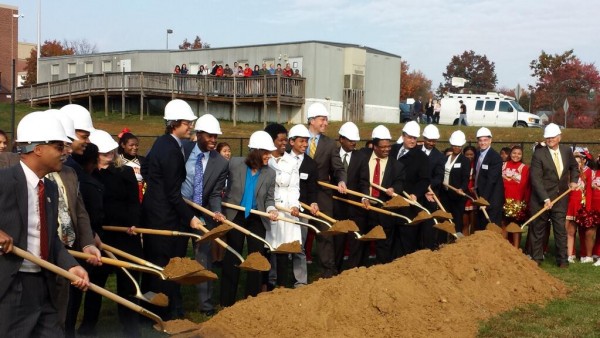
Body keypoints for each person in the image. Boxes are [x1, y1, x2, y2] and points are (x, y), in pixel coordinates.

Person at [0, 111, 89, 337]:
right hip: (10, 286)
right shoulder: (4, 180)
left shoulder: (48, 188)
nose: (66, 152)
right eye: (59, 147)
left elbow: (51, 240)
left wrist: (71, 265)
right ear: (37, 149)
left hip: (43, 283)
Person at [141, 99, 204, 319]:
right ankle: (161, 313)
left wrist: (154, 186)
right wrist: (191, 219)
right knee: (162, 266)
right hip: (162, 216)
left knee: (156, 264)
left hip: (158, 209)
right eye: (187, 122)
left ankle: (154, 311)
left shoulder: (164, 143)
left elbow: (147, 167)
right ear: (175, 123)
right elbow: (173, 193)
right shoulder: (170, 149)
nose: (191, 126)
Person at [77, 130, 142, 337]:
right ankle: (88, 327)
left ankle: (130, 327)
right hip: (99, 237)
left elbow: (134, 201)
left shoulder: (124, 172)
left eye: (111, 152)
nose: (109, 156)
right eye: (104, 153)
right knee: (96, 284)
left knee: (128, 282)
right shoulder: (86, 175)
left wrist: (134, 223)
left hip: (125, 235)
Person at [220, 131, 278, 307]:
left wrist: (271, 209)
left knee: (256, 258)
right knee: (233, 256)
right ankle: (226, 301)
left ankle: (249, 301)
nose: (270, 155)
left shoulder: (270, 173)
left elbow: (269, 198)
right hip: (235, 215)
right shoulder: (234, 164)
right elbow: (219, 181)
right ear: (256, 152)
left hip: (256, 217)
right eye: (267, 152)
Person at [182, 114, 228, 317]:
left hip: (203, 213)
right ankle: (171, 303)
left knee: (204, 258)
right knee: (174, 255)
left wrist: (216, 210)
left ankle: (206, 305)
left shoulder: (220, 163)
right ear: (198, 134)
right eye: (209, 136)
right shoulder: (182, 150)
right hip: (178, 210)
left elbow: (216, 193)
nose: (213, 140)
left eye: (216, 136)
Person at [305, 102, 347, 278]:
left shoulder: (330, 145)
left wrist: (342, 181)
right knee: (296, 232)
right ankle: (293, 273)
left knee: (325, 234)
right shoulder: (298, 138)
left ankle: (328, 273)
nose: (326, 123)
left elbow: (338, 168)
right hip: (298, 193)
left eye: (326, 120)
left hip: (322, 195)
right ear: (312, 120)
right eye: (323, 119)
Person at [529, 123, 579, 268]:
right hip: (541, 198)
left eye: (552, 137)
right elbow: (536, 179)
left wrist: (574, 180)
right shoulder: (539, 153)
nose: (549, 139)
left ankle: (562, 260)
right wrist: (545, 198)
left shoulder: (566, 150)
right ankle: (536, 258)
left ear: (559, 137)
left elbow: (574, 167)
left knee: (560, 230)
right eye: (547, 137)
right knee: (538, 229)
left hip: (561, 197)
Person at [264, 123, 301, 288]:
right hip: (268, 208)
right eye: (281, 140)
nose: (284, 143)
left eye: (285, 140)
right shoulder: (265, 159)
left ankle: (282, 286)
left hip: (286, 212)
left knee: (283, 250)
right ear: (271, 141)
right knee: (268, 247)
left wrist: (294, 206)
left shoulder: (291, 162)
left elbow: (294, 187)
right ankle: (266, 284)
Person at [333, 122, 370, 270]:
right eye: (350, 140)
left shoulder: (361, 158)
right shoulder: (333, 155)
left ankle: (353, 271)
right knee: (338, 241)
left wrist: (364, 197)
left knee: (355, 240)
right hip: (337, 205)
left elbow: (364, 182)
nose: (353, 143)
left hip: (355, 207)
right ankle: (336, 269)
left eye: (355, 140)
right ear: (341, 139)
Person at [365, 125, 405, 263]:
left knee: (384, 244)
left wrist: (394, 189)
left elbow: (400, 182)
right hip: (365, 206)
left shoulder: (396, 166)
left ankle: (382, 269)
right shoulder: (362, 158)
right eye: (383, 147)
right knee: (362, 242)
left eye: (389, 146)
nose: (387, 149)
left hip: (383, 209)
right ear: (374, 146)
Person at [390, 121, 429, 257]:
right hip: (390, 198)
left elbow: (424, 179)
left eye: (415, 138)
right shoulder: (393, 150)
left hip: (408, 202)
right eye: (410, 137)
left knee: (407, 236)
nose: (412, 141)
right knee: (391, 236)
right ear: (403, 136)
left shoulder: (421, 157)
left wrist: (416, 194)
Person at [439, 131, 470, 235]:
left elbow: (466, 178)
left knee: (457, 220)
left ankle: (456, 240)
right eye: (455, 145)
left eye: (459, 146)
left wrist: (462, 188)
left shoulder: (465, 161)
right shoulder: (445, 158)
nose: (456, 148)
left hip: (457, 196)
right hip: (445, 194)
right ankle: (442, 241)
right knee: (444, 219)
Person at [473, 127, 504, 230]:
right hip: (481, 194)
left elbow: (492, 181)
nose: (482, 143)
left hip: (492, 198)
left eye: (485, 140)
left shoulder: (495, 157)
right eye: (480, 140)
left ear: (490, 140)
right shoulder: (478, 154)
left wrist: (484, 200)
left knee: (491, 227)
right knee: (481, 225)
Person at [565, 148, 592, 263]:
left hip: (582, 205)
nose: (577, 164)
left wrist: (588, 207)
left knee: (583, 231)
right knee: (570, 231)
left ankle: (584, 254)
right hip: (570, 204)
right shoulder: (568, 173)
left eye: (579, 161)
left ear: (584, 161)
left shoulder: (588, 172)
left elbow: (589, 191)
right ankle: (570, 254)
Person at [422, 124, 445, 249]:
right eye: (429, 140)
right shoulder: (416, 151)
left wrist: (427, 186)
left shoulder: (439, 156)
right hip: (416, 194)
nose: (431, 143)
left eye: (434, 141)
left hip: (431, 195)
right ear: (424, 138)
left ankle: (428, 247)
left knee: (429, 223)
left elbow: (439, 176)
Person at [502, 145, 530, 248]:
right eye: (514, 153)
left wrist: (519, 201)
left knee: (515, 225)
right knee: (504, 223)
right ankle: (504, 247)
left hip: (516, 201)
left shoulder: (524, 167)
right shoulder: (503, 165)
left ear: (522, 155)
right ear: (510, 153)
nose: (516, 155)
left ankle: (516, 248)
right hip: (504, 199)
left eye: (519, 154)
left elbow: (524, 185)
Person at [118, 131, 146, 202]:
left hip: (141, 197)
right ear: (123, 145)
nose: (135, 147)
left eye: (136, 145)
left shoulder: (143, 161)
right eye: (131, 145)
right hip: (124, 197)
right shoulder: (117, 161)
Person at [462, 145, 477, 235]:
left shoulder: (476, 165)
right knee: (464, 223)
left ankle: (473, 243)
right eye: (467, 155)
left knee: (474, 223)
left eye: (471, 154)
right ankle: (464, 243)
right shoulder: (462, 164)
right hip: (464, 195)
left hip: (473, 196)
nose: (469, 157)